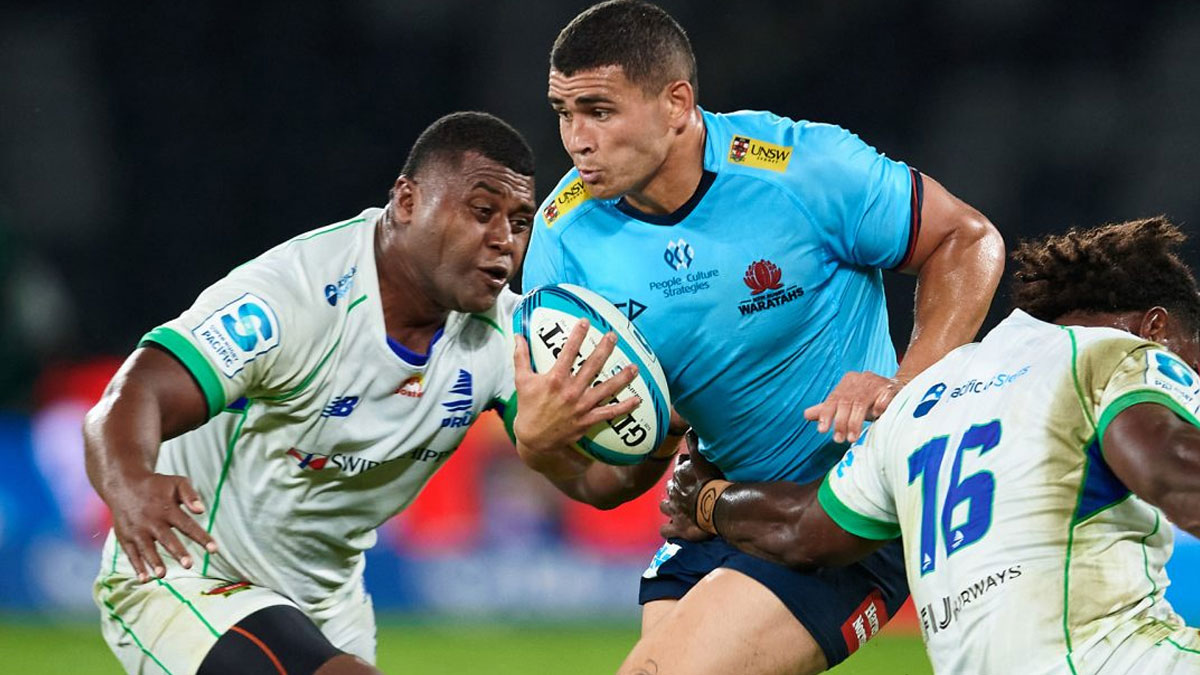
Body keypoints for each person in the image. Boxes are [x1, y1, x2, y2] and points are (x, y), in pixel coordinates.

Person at [510, 1, 1005, 673]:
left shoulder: (801, 170)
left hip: (846, 509)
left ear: (676, 104)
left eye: (599, 111)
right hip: (717, 509)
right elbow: (613, 480)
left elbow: (967, 240)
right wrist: (542, 446)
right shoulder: (563, 242)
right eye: (563, 112)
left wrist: (904, 389)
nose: (577, 140)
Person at [84, 112, 633, 675]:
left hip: (326, 606)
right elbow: (135, 393)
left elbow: (596, 482)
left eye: (520, 222)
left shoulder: (507, 336)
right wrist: (130, 485)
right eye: (481, 211)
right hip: (190, 576)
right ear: (407, 201)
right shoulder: (295, 296)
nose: (504, 241)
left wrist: (670, 431)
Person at [662, 217, 1200, 674]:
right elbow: (1175, 472)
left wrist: (708, 501)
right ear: (1155, 327)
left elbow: (802, 529)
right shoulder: (1116, 354)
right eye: (1193, 360)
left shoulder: (923, 398)